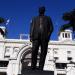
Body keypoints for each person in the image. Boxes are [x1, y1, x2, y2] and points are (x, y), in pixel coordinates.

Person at [30, 6, 53, 70]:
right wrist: (31, 36)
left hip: (44, 38)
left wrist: (48, 36)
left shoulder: (48, 18)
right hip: (36, 37)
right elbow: (32, 27)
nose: (41, 10)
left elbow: (51, 28)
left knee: (43, 52)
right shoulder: (34, 18)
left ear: (44, 10)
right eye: (40, 9)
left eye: (42, 9)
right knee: (34, 51)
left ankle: (41, 67)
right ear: (38, 10)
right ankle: (33, 66)